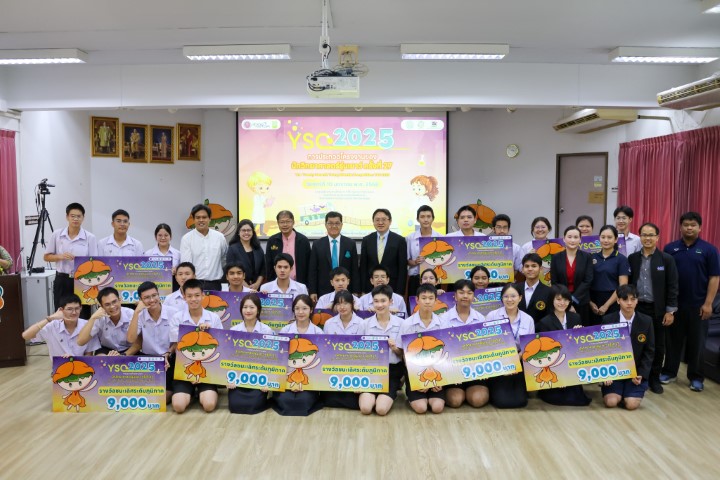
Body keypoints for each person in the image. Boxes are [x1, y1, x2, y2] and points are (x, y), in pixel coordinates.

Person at [661, 212, 720, 392]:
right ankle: (669, 372)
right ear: (680, 227)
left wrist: (708, 303)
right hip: (675, 305)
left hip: (699, 306)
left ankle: (696, 377)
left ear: (699, 228)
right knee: (672, 342)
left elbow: (714, 277)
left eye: (693, 225)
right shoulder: (670, 248)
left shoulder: (709, 250)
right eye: (686, 225)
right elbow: (665, 277)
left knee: (697, 344)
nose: (689, 228)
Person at [628, 222, 678, 394]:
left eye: (651, 235)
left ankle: (654, 378)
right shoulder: (633, 258)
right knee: (636, 343)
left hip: (658, 310)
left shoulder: (666, 259)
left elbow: (673, 286)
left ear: (657, 237)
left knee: (657, 345)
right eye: (644, 234)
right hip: (637, 308)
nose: (647, 238)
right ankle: (636, 376)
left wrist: (670, 311)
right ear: (640, 237)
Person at [169, 279, 225, 414]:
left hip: (207, 369)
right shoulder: (177, 318)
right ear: (184, 297)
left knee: (209, 406)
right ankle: (190, 393)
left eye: (197, 295)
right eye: (189, 296)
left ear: (203, 295)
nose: (193, 299)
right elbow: (177, 347)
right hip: (184, 369)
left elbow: (220, 347)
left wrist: (209, 332)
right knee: (178, 407)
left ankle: (201, 393)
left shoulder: (213, 318)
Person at [535, 284, 591, 406]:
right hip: (553, 364)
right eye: (559, 299)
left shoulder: (576, 318)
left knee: (578, 398)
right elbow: (545, 353)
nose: (562, 303)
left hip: (571, 364)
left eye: (566, 299)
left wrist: (579, 334)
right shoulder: (545, 322)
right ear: (552, 300)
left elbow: (580, 348)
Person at [601, 285, 655, 410]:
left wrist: (641, 373)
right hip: (614, 372)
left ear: (637, 301)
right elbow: (602, 349)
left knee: (631, 405)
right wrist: (606, 373)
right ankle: (619, 394)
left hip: (635, 373)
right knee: (611, 402)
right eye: (625, 299)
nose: (629, 303)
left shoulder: (646, 321)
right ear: (618, 300)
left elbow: (650, 351)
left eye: (633, 299)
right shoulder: (608, 319)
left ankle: (627, 395)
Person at [397, 284, 449, 414]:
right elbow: (404, 354)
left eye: (431, 298)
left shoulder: (444, 323)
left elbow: (448, 353)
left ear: (436, 300)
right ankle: (411, 393)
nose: (427, 301)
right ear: (417, 300)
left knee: (437, 408)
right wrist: (417, 380)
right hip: (415, 373)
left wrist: (441, 380)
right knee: (421, 408)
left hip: (438, 373)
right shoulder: (407, 324)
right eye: (424, 298)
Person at [484, 283, 534, 408]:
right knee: (501, 402)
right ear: (501, 298)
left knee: (521, 401)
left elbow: (529, 346)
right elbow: (487, 343)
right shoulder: (492, 315)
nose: (509, 299)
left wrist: (516, 359)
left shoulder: (528, 319)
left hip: (519, 360)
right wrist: (504, 361)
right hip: (497, 360)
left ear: (520, 298)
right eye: (506, 296)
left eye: (513, 296)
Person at [273, 295, 324, 416]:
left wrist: (305, 385)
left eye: (304, 308)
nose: (300, 312)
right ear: (293, 310)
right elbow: (280, 361)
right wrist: (289, 384)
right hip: (286, 380)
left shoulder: (318, 332)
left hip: (310, 383)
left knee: (303, 402)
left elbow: (319, 365)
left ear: (311, 310)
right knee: (286, 401)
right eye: (297, 308)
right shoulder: (285, 331)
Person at [442, 279, 489, 409]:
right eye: (461, 292)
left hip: (475, 369)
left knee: (477, 400)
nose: (465, 296)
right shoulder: (443, 319)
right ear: (455, 295)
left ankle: (469, 391)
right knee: (455, 401)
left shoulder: (480, 318)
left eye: (469, 293)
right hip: (451, 369)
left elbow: (485, 347)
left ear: (473, 296)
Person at [358, 285, 405, 416]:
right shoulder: (365, 324)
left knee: (381, 410)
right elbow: (358, 353)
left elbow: (402, 354)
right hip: (370, 371)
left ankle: (393, 391)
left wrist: (395, 348)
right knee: (366, 408)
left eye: (383, 301)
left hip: (392, 371)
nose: (379, 305)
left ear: (391, 301)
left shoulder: (401, 323)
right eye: (376, 301)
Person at [44, 203, 98, 313]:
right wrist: (60, 256)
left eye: (79, 216)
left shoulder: (90, 237)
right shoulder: (57, 234)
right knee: (61, 312)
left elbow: (94, 262)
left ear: (83, 218)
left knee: (83, 313)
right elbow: (46, 257)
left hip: (82, 280)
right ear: (67, 217)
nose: (75, 219)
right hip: (62, 279)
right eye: (72, 216)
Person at [126, 281, 175, 403]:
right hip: (148, 359)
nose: (152, 300)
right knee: (141, 396)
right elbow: (131, 339)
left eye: (154, 295)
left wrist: (168, 353)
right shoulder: (139, 315)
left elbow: (180, 340)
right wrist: (136, 312)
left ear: (159, 295)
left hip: (169, 358)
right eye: (147, 297)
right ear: (141, 300)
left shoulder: (173, 313)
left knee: (162, 399)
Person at [227, 294, 273, 414]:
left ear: (258, 309)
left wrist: (267, 380)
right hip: (238, 377)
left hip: (259, 378)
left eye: (252, 307)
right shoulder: (234, 330)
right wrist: (229, 379)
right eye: (245, 307)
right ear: (241, 309)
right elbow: (229, 358)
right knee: (235, 406)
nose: (248, 310)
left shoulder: (266, 331)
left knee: (254, 406)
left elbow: (271, 359)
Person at [321, 290, 363, 410]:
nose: (342, 307)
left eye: (345, 303)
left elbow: (364, 353)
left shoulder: (362, 323)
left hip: (355, 367)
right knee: (328, 399)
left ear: (352, 304)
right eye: (338, 304)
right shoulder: (329, 323)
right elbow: (325, 350)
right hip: (334, 367)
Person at [22, 294, 99, 357]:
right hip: (59, 369)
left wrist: (74, 361)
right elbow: (26, 336)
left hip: (81, 368)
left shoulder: (88, 325)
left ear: (81, 308)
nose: (74, 312)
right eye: (69, 309)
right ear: (61, 310)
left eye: (77, 308)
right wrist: (49, 318)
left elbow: (89, 355)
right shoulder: (53, 325)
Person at [308, 211, 359, 301]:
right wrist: (312, 291)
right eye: (330, 223)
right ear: (325, 225)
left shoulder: (350, 244)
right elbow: (313, 270)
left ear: (341, 225)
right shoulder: (317, 244)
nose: (334, 226)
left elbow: (354, 269)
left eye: (337, 223)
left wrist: (355, 290)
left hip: (345, 288)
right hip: (323, 289)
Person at [550, 226, 594, 325]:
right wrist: (565, 301)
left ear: (580, 240)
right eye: (569, 237)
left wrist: (572, 300)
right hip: (561, 301)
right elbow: (554, 281)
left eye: (576, 237)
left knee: (582, 329)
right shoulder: (556, 257)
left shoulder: (587, 257)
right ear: (564, 239)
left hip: (581, 301)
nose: (572, 240)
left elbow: (588, 280)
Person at [180, 203, 228, 292]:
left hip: (215, 284)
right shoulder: (186, 239)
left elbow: (224, 259)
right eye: (198, 217)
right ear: (193, 219)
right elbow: (186, 265)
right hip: (195, 284)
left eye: (204, 217)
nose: (201, 220)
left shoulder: (219, 237)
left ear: (209, 219)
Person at [589, 225, 630, 325]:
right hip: (593, 302)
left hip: (613, 301)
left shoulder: (621, 259)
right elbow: (585, 281)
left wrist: (606, 305)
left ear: (616, 239)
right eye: (603, 237)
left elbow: (623, 286)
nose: (606, 240)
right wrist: (590, 302)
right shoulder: (591, 257)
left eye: (609, 237)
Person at [360, 208, 408, 295]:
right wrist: (363, 289)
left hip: (392, 287)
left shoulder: (399, 240)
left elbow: (402, 268)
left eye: (383, 219)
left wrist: (400, 292)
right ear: (373, 222)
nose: (380, 223)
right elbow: (363, 267)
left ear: (390, 221)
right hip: (370, 287)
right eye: (377, 220)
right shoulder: (367, 240)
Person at [77, 287, 133, 355]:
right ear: (101, 306)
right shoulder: (99, 317)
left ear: (120, 300)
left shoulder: (131, 314)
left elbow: (138, 343)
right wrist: (92, 318)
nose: (112, 306)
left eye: (114, 302)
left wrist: (122, 355)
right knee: (100, 357)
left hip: (128, 349)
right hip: (106, 349)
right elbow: (80, 342)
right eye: (107, 304)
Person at [264, 210, 311, 286]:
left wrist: (308, 285)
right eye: (282, 222)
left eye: (288, 221)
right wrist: (270, 284)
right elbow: (269, 265)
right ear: (278, 223)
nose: (285, 225)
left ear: (293, 222)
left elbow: (309, 265)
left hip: (299, 284)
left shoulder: (303, 240)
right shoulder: (272, 241)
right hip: (277, 285)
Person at [406, 205, 442, 301]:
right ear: (417, 219)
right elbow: (406, 260)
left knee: (433, 304)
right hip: (416, 278)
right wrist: (415, 262)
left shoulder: (440, 237)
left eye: (428, 216)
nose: (425, 220)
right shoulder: (410, 238)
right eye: (422, 217)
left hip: (434, 279)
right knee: (414, 305)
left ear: (433, 218)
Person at [226, 219, 265, 291]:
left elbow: (263, 269)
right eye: (243, 230)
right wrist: (246, 287)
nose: (246, 232)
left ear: (253, 232)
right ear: (238, 232)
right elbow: (230, 270)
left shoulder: (258, 248)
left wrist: (257, 284)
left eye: (249, 230)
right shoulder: (233, 249)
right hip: (239, 288)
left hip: (256, 288)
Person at [514, 253, 552, 325]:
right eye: (527, 266)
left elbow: (549, 317)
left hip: (539, 330)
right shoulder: (515, 289)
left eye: (534, 266)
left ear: (540, 269)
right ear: (522, 269)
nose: (530, 269)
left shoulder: (549, 291)